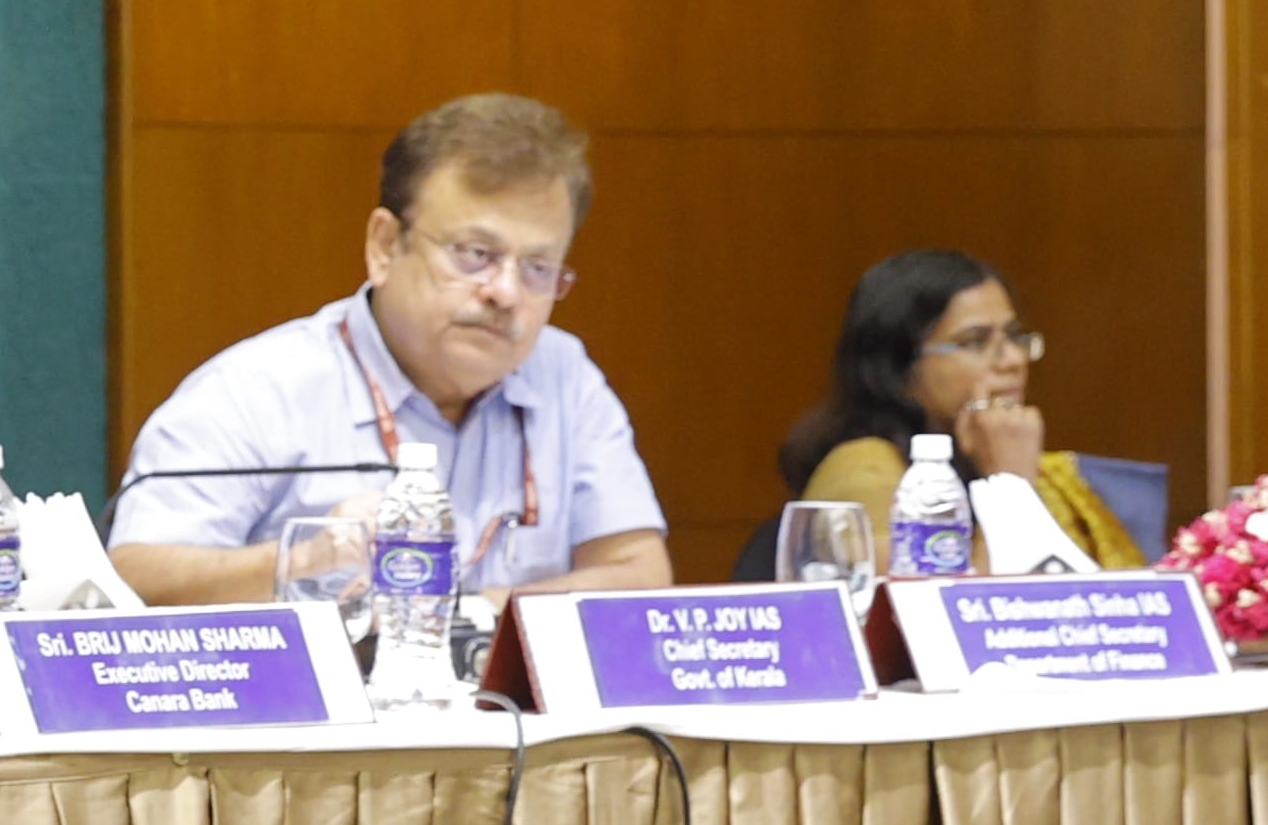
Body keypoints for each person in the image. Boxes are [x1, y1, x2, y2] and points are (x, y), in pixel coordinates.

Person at [107, 92, 673, 605]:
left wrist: (477, 615)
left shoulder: (563, 375)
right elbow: (134, 577)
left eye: (538, 267)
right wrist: (302, 561)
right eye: (475, 254)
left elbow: (638, 573)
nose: (505, 292)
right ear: (384, 246)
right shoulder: (257, 389)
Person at [773, 251, 1147, 567]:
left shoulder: (997, 456)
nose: (1013, 360)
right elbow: (960, 613)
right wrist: (1011, 485)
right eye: (975, 342)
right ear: (900, 365)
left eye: (1014, 337)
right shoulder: (862, 467)